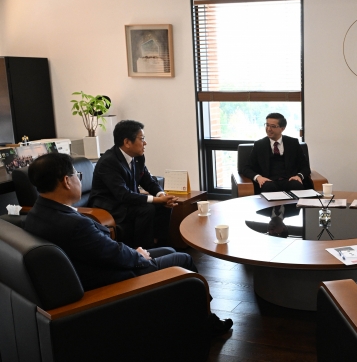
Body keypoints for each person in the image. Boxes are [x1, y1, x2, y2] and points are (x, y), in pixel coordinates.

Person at [23, 153, 232, 335]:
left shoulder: (35, 215)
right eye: (77, 176)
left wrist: (135, 251)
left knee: (168, 250)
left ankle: (193, 314)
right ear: (66, 181)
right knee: (183, 258)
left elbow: (101, 249)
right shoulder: (74, 224)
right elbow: (112, 254)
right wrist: (138, 256)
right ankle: (205, 322)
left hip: (91, 269)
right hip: (110, 281)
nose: (79, 180)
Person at [89, 120, 177, 249]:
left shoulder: (138, 157)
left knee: (165, 205)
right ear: (127, 142)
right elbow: (123, 195)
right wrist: (157, 200)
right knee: (147, 209)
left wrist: (162, 195)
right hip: (111, 206)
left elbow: (148, 180)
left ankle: (160, 245)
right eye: (142, 139)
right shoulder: (109, 162)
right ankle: (144, 252)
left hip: (128, 201)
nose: (145, 143)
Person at [241, 113, 311, 193]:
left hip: (289, 180)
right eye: (267, 125)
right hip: (268, 181)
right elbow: (246, 168)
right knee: (268, 187)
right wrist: (258, 177)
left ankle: (294, 206)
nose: (268, 129)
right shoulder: (259, 145)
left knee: (296, 185)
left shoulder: (293, 143)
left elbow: (305, 167)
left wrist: (299, 176)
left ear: (282, 128)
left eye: (273, 126)